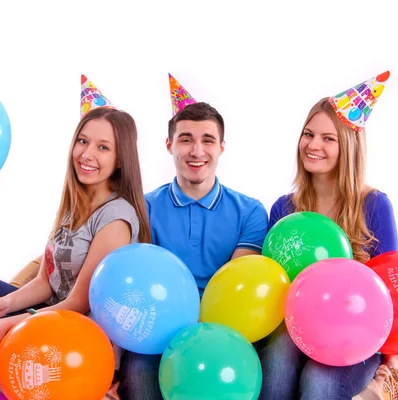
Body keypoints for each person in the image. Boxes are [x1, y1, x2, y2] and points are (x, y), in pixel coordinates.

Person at [0, 76, 150, 365]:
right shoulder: (74, 204)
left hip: (78, 332)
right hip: (54, 310)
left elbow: (80, 303)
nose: (87, 154)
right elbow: (46, 281)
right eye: (83, 141)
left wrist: (12, 323)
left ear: (120, 159)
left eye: (103, 147)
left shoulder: (115, 219)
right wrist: (3, 306)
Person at [117, 74, 269, 400]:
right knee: (139, 380)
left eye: (208, 140)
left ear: (222, 147)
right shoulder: (143, 208)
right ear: (169, 145)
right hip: (157, 330)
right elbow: (141, 283)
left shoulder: (251, 211)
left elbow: (233, 291)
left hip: (224, 333)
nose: (197, 150)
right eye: (186, 139)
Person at [258, 71, 398, 399]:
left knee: (320, 380)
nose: (313, 145)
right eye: (308, 134)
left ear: (348, 147)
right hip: (294, 326)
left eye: (327, 138)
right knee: (278, 360)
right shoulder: (284, 209)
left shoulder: (374, 205)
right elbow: (273, 281)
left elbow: (385, 293)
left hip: (353, 331)